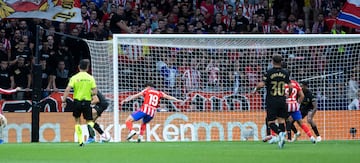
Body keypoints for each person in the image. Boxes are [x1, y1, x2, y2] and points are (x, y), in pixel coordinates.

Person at [253, 54, 291, 148]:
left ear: (272, 61)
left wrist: (255, 89)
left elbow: (261, 84)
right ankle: (281, 140)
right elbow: (290, 86)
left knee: (270, 122)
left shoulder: (269, 72)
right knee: (281, 120)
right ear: (281, 62)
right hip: (282, 99)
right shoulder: (285, 73)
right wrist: (288, 94)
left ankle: (280, 134)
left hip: (272, 100)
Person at [62, 59, 97, 147]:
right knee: (89, 120)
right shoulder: (90, 78)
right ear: (88, 68)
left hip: (77, 101)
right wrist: (88, 91)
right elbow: (95, 92)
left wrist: (64, 100)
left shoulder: (74, 77)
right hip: (87, 101)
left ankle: (81, 141)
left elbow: (67, 89)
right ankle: (93, 128)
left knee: (77, 121)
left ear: (79, 67)